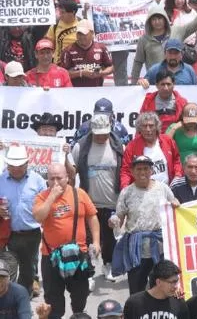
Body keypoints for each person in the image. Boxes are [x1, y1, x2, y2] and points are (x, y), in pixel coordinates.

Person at [33, 163, 100, 319]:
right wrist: (51, 197)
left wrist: (96, 242)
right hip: (51, 256)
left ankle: (77, 314)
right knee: (53, 301)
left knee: (80, 296)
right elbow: (38, 217)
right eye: (51, 179)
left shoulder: (80, 194)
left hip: (78, 254)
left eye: (59, 178)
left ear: (68, 178)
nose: (55, 182)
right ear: (47, 180)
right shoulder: (42, 197)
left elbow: (92, 217)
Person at [111, 156, 180, 295]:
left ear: (151, 170)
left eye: (146, 169)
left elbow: (174, 202)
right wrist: (114, 220)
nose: (142, 172)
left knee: (162, 288)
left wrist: (176, 202)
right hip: (137, 250)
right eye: (139, 169)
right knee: (136, 289)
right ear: (132, 171)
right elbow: (120, 215)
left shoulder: (162, 188)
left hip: (160, 248)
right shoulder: (127, 192)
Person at [69, 114, 125, 282]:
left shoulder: (119, 146)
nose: (101, 136)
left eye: (105, 133)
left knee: (109, 238)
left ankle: (108, 264)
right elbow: (72, 173)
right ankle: (89, 271)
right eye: (98, 133)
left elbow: (124, 172)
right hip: (88, 202)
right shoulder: (80, 147)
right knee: (88, 239)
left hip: (111, 202)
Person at [131, 0, 197, 84]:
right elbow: (138, 62)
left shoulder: (177, 30)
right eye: (154, 19)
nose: (157, 22)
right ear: (149, 21)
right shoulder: (144, 40)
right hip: (156, 84)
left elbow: (195, 24)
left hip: (179, 81)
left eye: (159, 18)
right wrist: (133, 84)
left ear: (165, 19)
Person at [86, 0, 138, 86]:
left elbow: (137, 10)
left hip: (120, 40)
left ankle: (122, 97)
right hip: (101, 40)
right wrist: (86, 8)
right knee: (96, 69)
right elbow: (86, 10)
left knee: (120, 71)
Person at [120, 112, 184, 187]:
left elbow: (177, 160)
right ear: (139, 128)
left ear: (157, 127)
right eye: (144, 126)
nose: (148, 129)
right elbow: (126, 171)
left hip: (168, 190)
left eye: (151, 126)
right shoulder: (132, 146)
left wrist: (177, 175)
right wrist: (125, 188)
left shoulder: (167, 141)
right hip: (142, 193)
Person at [122, 259, 188, 318]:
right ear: (158, 282)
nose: (176, 286)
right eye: (172, 282)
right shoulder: (134, 303)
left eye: (177, 281)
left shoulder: (179, 303)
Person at [59, 19, 114, 87]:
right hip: (75, 91)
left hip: (97, 90)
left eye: (84, 34)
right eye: (79, 33)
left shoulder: (101, 47)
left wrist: (101, 73)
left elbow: (110, 67)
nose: (81, 37)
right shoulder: (68, 50)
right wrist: (81, 73)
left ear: (92, 33)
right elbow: (62, 73)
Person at [43, 0, 79, 66]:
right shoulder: (54, 26)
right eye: (60, 12)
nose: (60, 15)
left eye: (63, 12)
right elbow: (49, 45)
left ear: (73, 12)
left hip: (77, 65)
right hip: (59, 65)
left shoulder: (82, 24)